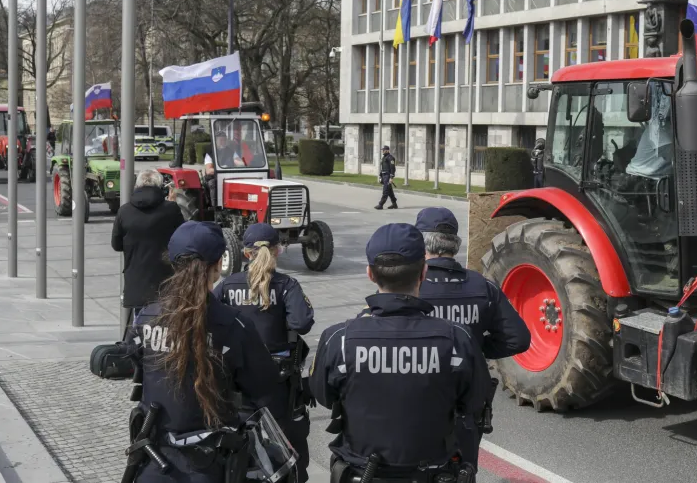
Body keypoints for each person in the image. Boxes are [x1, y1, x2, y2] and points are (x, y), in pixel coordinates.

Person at [310, 223, 492, 482]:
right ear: (424, 272)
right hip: (432, 472)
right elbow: (473, 403)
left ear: (370, 274)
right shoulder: (457, 338)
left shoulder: (338, 338)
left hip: (362, 473)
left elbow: (324, 396)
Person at [125, 221, 285, 483]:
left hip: (153, 464)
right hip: (209, 466)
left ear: (174, 262)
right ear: (219, 265)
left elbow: (133, 359)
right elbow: (266, 390)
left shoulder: (147, 317)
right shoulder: (233, 326)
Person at [415, 207, 531, 469]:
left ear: (421, 244)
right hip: (466, 402)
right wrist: (475, 349)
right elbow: (519, 338)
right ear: (455, 244)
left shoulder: (412, 286)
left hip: (419, 394)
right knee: (463, 470)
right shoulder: (482, 285)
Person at [212, 223, 314, 483]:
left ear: (246, 254)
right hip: (277, 382)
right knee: (291, 445)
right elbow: (302, 323)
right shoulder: (286, 285)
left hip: (236, 382)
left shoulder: (227, 285)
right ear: (277, 251)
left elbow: (209, 320)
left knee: (237, 443)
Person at [111, 170, 186, 331]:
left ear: (137, 186)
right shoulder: (171, 209)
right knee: (166, 326)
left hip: (136, 280)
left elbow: (116, 244)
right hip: (165, 280)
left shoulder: (124, 211)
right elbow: (183, 238)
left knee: (140, 327)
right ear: (160, 187)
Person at [375, 145, 398, 210]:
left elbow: (392, 168)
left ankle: (381, 204)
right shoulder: (384, 157)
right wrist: (380, 176)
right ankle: (394, 204)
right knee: (389, 191)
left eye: (384, 150)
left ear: (387, 150)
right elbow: (383, 168)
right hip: (384, 175)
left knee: (385, 191)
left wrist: (391, 177)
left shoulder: (390, 158)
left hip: (388, 176)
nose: (383, 151)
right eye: (382, 150)